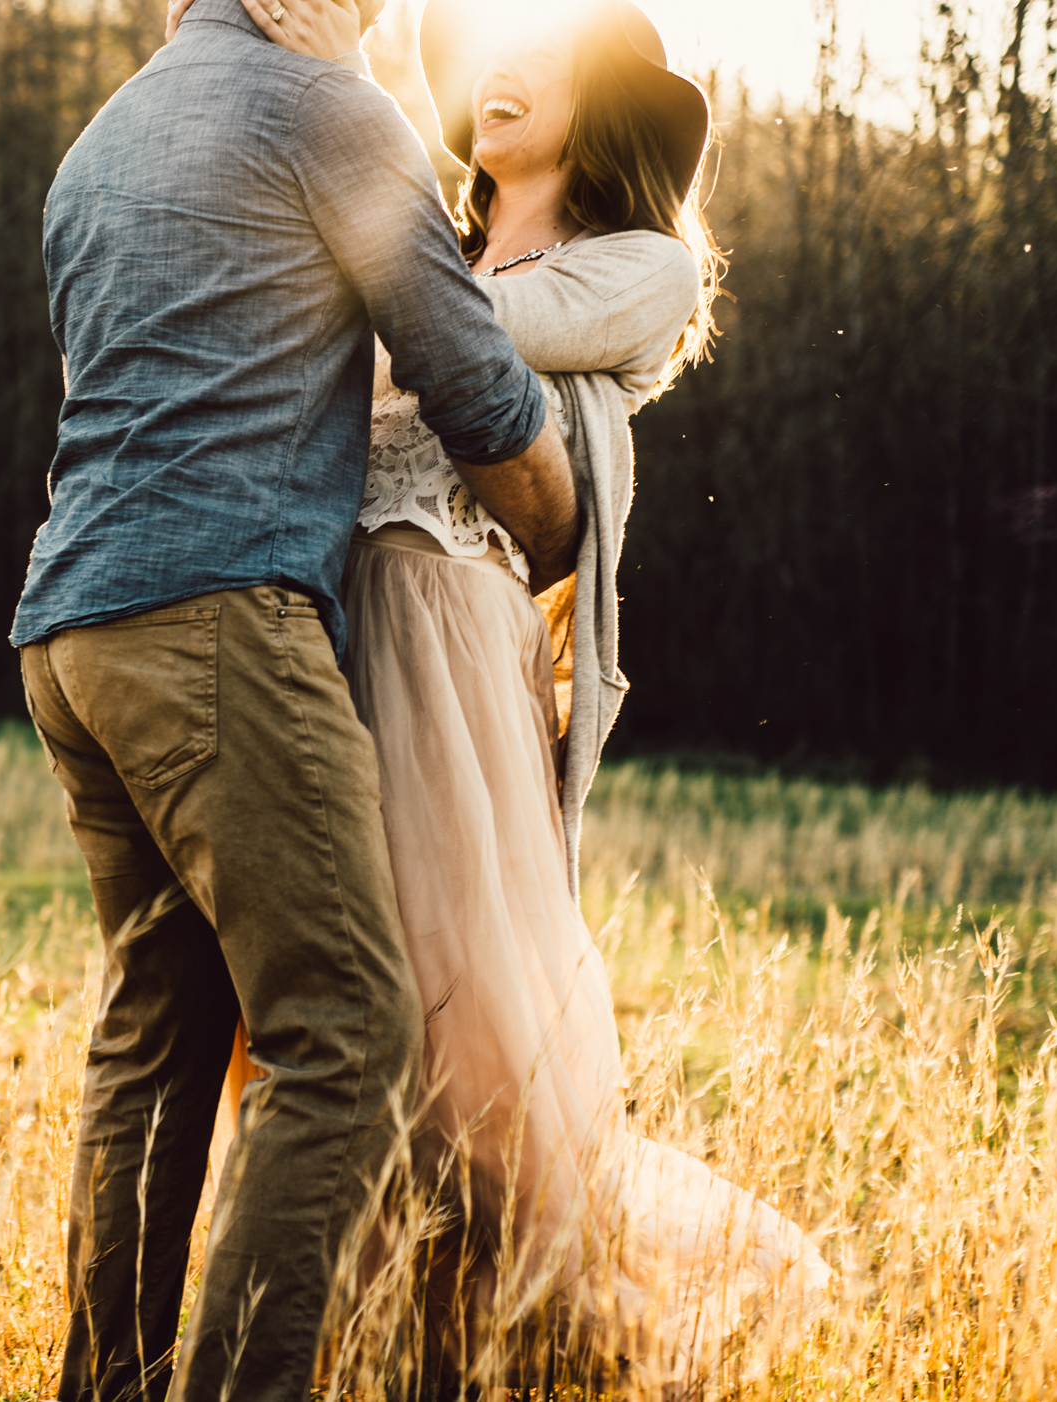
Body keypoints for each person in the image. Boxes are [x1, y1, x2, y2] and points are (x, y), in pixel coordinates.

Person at [192, 0, 836, 1389]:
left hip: (441, 644)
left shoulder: (641, 269)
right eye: (489, 56)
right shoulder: (431, 225)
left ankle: (525, 1340)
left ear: (597, 107)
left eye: (531, 61)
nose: (494, 75)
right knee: (317, 1009)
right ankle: (356, 1337)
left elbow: (450, 330)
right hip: (320, 626)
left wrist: (342, 140)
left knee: (460, 1025)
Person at [8, 0, 587, 1393]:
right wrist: (568, 534)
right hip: (222, 623)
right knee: (347, 1027)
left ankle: (112, 1380)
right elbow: (473, 386)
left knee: (160, 1027)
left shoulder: (104, 138)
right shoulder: (334, 115)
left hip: (70, 630)